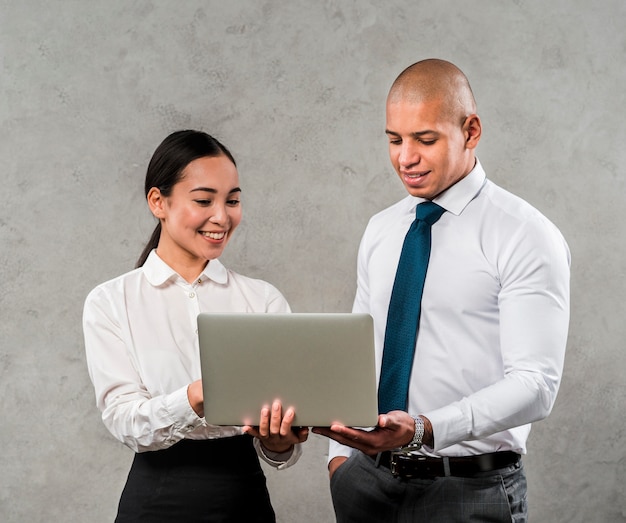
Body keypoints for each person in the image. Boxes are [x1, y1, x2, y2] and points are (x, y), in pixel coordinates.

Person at [313, 59, 570, 522]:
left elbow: (536, 385)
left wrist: (426, 429)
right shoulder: (381, 230)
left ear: (470, 131)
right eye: (394, 140)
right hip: (366, 485)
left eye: (424, 140)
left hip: (468, 491)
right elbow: (358, 354)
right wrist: (338, 462)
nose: (404, 158)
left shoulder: (524, 235)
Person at [83, 130, 308, 522]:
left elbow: (279, 447)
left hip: (246, 501)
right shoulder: (111, 301)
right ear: (158, 202)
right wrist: (196, 396)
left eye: (233, 200)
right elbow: (123, 420)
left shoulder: (263, 300)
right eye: (204, 200)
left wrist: (279, 440)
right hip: (157, 501)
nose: (222, 216)